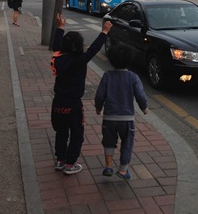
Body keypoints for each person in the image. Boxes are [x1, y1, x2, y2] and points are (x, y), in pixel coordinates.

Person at [50, 14, 112, 175]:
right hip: (73, 105)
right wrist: (104, 32)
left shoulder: (57, 58)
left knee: (61, 133)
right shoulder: (80, 60)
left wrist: (60, 27)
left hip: (57, 103)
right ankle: (70, 164)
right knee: (77, 134)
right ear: (79, 47)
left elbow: (56, 45)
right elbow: (94, 48)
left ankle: (60, 160)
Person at [95, 45, 149, 180]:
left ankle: (108, 166)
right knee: (127, 142)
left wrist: (98, 107)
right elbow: (140, 95)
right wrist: (144, 108)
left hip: (109, 117)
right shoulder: (133, 77)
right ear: (130, 60)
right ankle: (123, 170)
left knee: (109, 141)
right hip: (127, 118)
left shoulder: (107, 76)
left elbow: (100, 95)